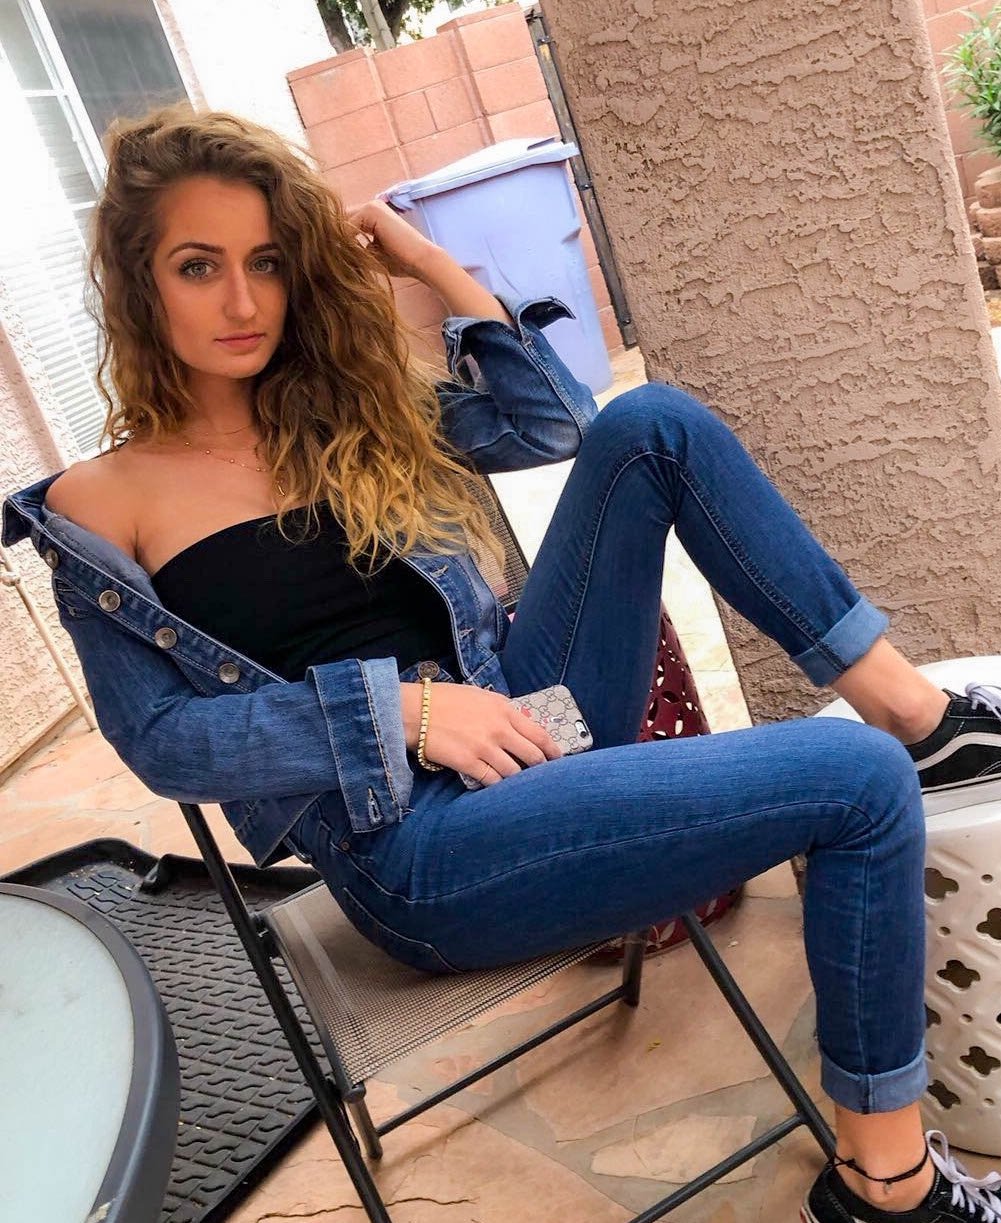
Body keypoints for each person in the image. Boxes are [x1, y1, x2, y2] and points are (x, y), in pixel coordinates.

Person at [4, 106, 1001, 1223]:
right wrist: (404, 713)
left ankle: (918, 715)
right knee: (854, 785)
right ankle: (886, 1188)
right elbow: (165, 741)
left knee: (651, 424)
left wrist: (426, 263)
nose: (242, 302)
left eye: (269, 262)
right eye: (199, 266)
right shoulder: (99, 505)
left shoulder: (345, 416)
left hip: (526, 726)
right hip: (414, 847)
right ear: (140, 282)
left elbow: (552, 422)